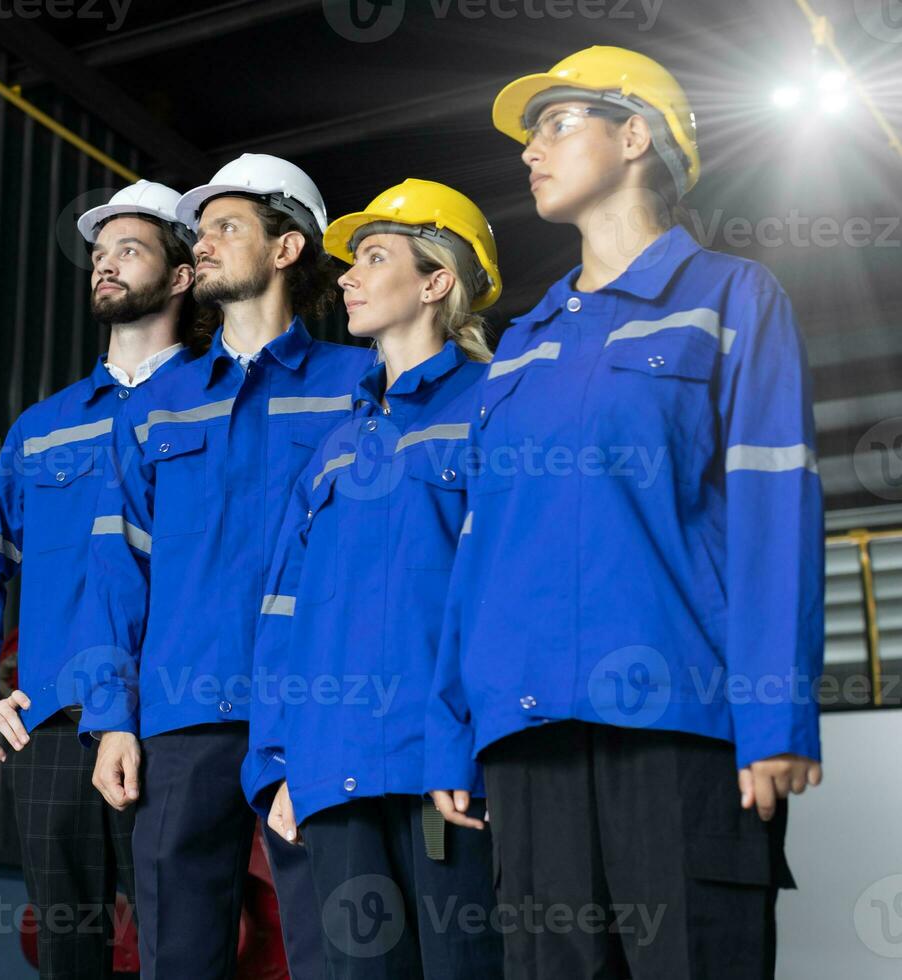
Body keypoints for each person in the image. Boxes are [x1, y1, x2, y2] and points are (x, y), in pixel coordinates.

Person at [425, 46, 824, 979]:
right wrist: (454, 729)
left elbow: (776, 513)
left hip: (679, 735)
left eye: (559, 124)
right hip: (527, 744)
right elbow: (478, 555)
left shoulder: (733, 298)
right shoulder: (520, 351)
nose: (532, 151)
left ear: (636, 135)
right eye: (530, 136)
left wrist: (774, 716)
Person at [76, 153, 373, 979]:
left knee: (332, 947)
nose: (200, 245)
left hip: (319, 710)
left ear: (285, 249)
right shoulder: (158, 404)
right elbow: (117, 567)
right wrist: (113, 719)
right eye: (198, 231)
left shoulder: (360, 383)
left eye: (225, 228)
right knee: (176, 953)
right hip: (182, 714)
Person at [244, 179, 506, 979]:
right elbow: (281, 615)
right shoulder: (333, 449)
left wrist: (477, 751)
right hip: (333, 773)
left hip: (447, 776)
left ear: (437, 281)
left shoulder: (496, 411)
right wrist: (275, 761)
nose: (348, 278)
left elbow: (504, 599)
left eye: (375, 257)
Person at [0, 179, 197, 980]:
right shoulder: (43, 425)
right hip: (51, 728)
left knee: (183, 946)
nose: (104, 266)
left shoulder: (213, 403)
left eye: (130, 249)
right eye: (98, 254)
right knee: (68, 952)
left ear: (182, 276)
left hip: (175, 720)